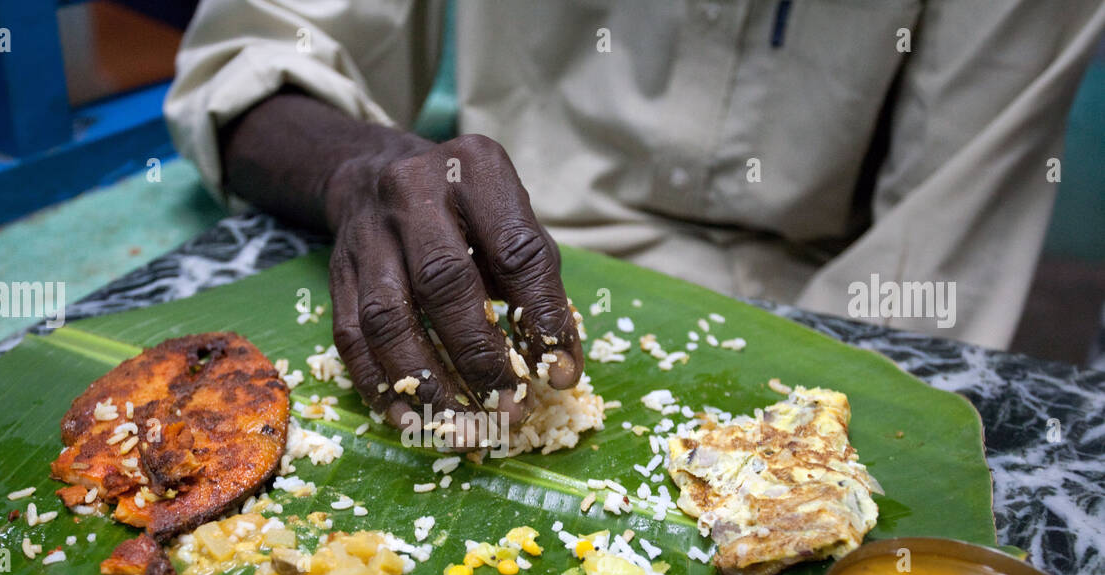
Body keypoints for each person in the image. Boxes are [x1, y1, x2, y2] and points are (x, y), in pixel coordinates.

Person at [165, 0, 1105, 440]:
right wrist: (362, 169)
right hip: (499, 261)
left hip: (820, 306)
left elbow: (928, 265)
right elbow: (251, 53)